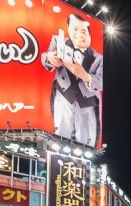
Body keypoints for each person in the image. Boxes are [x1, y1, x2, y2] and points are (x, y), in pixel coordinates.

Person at [41, 13, 103, 147]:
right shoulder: (58, 41)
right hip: (63, 96)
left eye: (83, 31)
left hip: (88, 103)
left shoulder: (99, 58)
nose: (79, 34)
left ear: (89, 35)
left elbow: (101, 82)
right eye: (75, 29)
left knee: (86, 142)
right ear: (68, 28)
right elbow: (45, 56)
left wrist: (84, 75)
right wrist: (50, 59)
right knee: (60, 138)